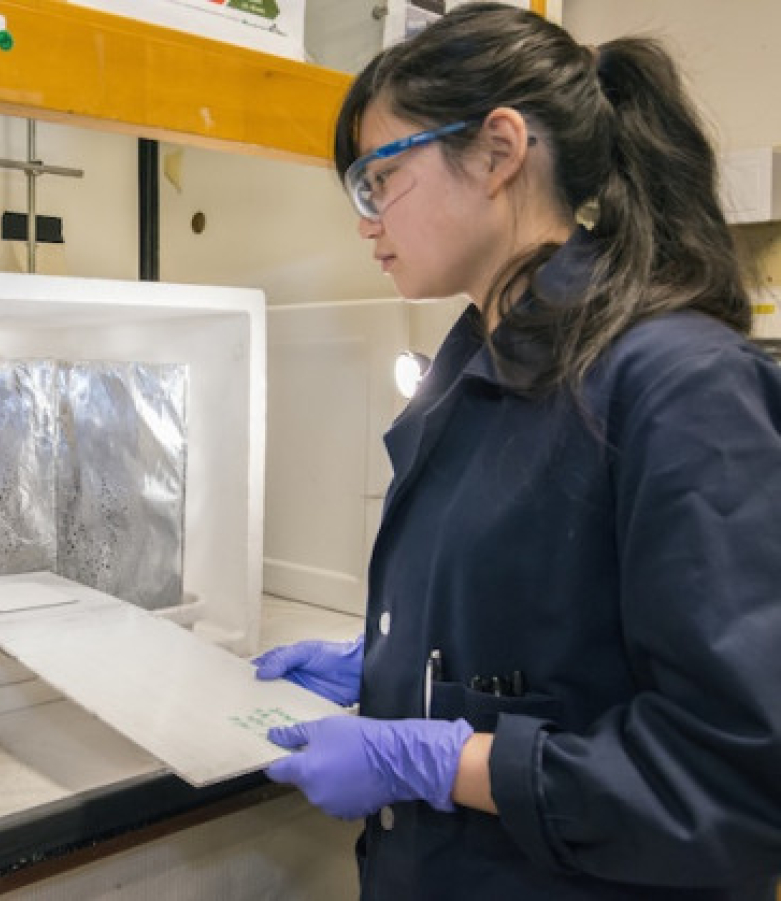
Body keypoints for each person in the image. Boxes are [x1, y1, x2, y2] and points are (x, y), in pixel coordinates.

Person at [251, 4, 781, 899]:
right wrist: (388, 664)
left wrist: (438, 755)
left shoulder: (679, 382)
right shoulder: (477, 366)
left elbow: (732, 781)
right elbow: (555, 641)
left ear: (498, 151)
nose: (366, 220)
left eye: (379, 177)